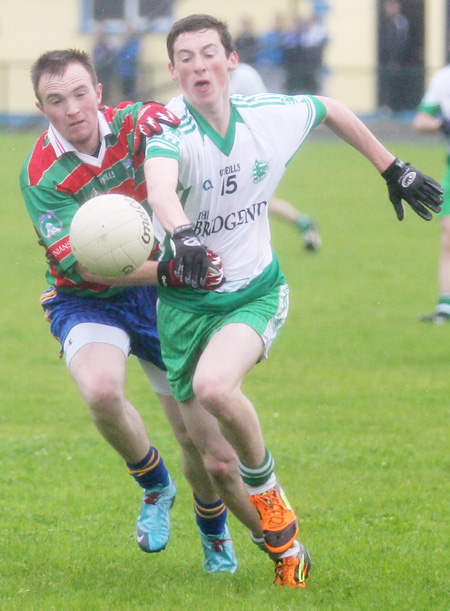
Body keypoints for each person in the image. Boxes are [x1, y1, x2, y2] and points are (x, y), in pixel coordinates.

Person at [142, 14, 443, 588]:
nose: (199, 65)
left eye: (210, 53)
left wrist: (392, 166)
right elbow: (159, 183)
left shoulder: (269, 117)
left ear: (232, 62)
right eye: (186, 57)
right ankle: (285, 547)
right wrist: (181, 234)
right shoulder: (171, 131)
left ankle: (271, 495)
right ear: (175, 69)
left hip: (253, 294)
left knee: (214, 386)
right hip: (183, 309)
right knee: (214, 464)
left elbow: (330, 107)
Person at [19, 48, 239, 574]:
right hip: (85, 297)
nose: (72, 109)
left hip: (159, 297)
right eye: (56, 101)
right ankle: (154, 483)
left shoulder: (134, 123)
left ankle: (213, 531)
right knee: (100, 390)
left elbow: (170, 118)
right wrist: (168, 270)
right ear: (41, 108)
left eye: (79, 94)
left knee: (193, 434)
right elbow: (82, 266)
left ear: (98, 92)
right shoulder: (42, 176)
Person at [230, 62, 321, 251]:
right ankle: (303, 224)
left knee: (258, 200)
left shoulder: (244, 75)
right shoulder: (213, 78)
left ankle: (302, 225)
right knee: (253, 201)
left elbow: (264, 108)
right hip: (236, 149)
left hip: (257, 147)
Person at [413, 55, 450, 323]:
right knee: (448, 234)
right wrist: (443, 124)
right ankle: (445, 307)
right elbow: (421, 120)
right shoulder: (443, 78)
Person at [117, 24, 141, 100]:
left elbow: (131, 56)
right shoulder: (125, 43)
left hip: (130, 72)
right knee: (124, 93)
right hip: (123, 72)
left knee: (130, 93)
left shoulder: (134, 43)